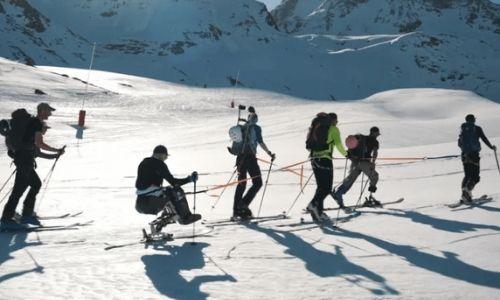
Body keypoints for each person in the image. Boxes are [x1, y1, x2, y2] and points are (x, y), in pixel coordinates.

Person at [1, 103, 65, 228]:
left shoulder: (32, 122)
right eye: (49, 111)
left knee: (34, 184)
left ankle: (26, 214)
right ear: (42, 111)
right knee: (19, 188)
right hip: (24, 158)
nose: (50, 114)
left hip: (24, 158)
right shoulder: (36, 123)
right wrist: (56, 150)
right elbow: (39, 144)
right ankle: (7, 219)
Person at [135, 145, 200, 228]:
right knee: (176, 190)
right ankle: (185, 217)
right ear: (161, 154)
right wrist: (189, 179)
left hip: (141, 200)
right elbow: (174, 182)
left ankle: (167, 214)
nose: (166, 158)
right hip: (151, 197)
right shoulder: (159, 164)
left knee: (167, 191)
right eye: (166, 156)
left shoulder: (144, 162)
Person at [233, 106, 275, 220]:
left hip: (240, 158)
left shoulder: (243, 127)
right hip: (250, 157)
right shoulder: (256, 128)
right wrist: (269, 153)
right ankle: (243, 205)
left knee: (241, 184)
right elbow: (260, 142)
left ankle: (236, 210)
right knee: (258, 182)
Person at [306, 112, 347, 222]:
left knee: (320, 187)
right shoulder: (333, 129)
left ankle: (318, 211)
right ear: (332, 120)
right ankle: (313, 204)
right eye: (336, 120)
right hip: (325, 160)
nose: (337, 123)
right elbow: (338, 144)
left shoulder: (315, 127)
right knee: (327, 188)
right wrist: (347, 154)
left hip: (314, 159)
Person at [333, 126, 381, 207]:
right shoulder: (375, 141)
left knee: (350, 179)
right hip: (364, 163)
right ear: (374, 132)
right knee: (374, 176)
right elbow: (375, 153)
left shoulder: (361, 138)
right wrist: (373, 163)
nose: (377, 135)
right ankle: (370, 197)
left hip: (355, 162)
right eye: (377, 133)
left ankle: (339, 192)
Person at [458, 114, 496, 203]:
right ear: (473, 120)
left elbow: (459, 143)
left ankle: (465, 194)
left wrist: (465, 151)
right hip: (474, 155)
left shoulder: (462, 129)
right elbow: (484, 138)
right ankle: (468, 190)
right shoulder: (477, 128)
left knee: (467, 175)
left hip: (464, 155)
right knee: (475, 177)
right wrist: (491, 147)